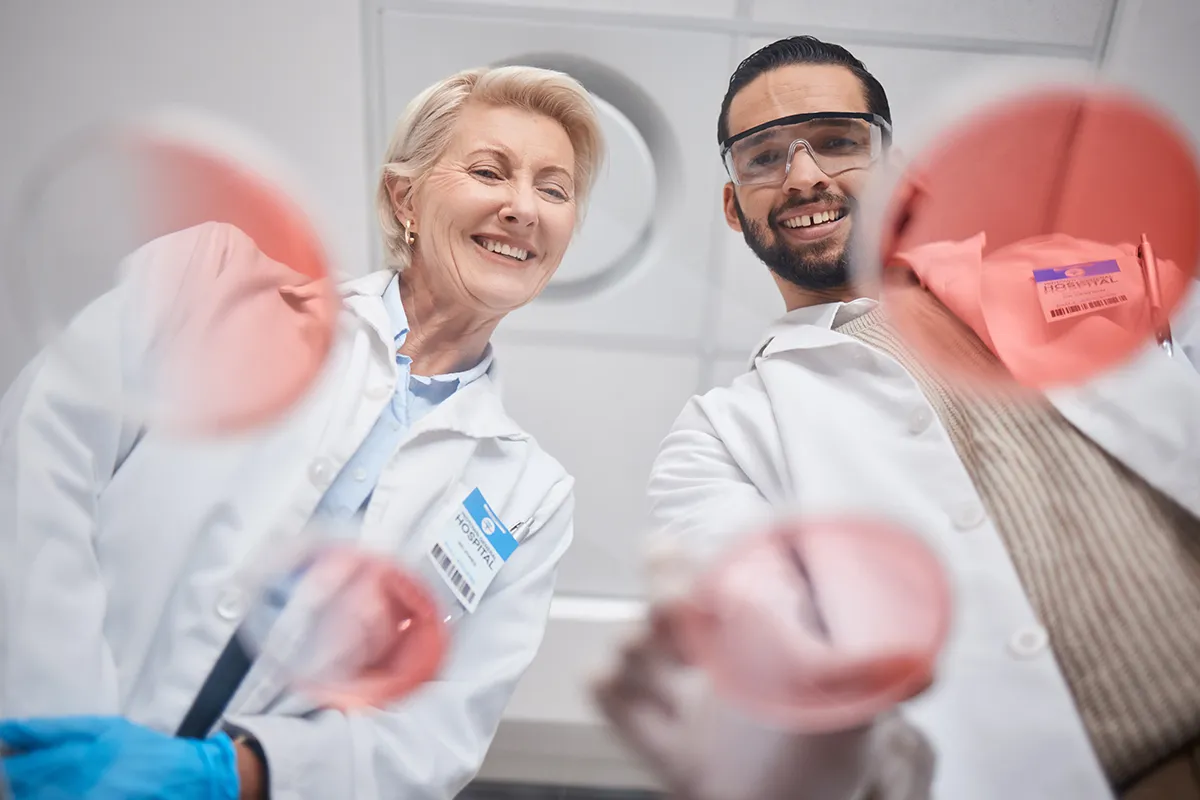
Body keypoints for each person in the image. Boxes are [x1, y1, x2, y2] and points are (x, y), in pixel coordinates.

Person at [594, 36, 1200, 800]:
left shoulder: (1069, 265)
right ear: (732, 204)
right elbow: (778, 661)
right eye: (763, 157)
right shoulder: (718, 438)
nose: (804, 176)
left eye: (839, 143)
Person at [0, 64, 604, 800]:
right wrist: (60, 723)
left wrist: (230, 776)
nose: (522, 207)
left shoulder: (528, 496)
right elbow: (38, 470)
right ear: (404, 197)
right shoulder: (211, 283)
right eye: (489, 171)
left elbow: (435, 734)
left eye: (554, 189)